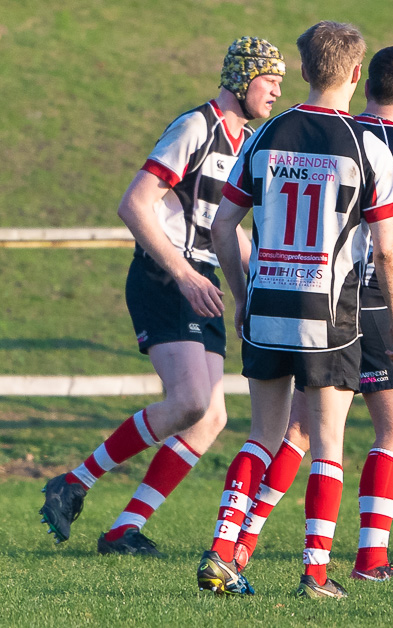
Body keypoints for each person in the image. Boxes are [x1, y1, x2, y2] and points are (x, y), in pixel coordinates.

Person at [229, 46, 393, 583]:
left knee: (297, 429)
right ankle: (367, 559)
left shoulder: (332, 133)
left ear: (363, 86)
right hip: (378, 301)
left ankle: (241, 541)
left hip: (313, 296)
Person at [38, 37, 285, 555]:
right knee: (191, 401)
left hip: (204, 280)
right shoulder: (196, 127)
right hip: (164, 275)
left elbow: (226, 228)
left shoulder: (249, 142)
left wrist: (249, 289)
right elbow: (134, 204)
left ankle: (123, 528)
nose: (277, 91)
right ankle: (75, 481)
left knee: (212, 416)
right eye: (269, 80)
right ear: (242, 79)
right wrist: (183, 274)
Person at [197, 21, 393, 599]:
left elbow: (222, 226)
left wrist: (244, 296)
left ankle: (222, 552)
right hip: (329, 315)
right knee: (328, 445)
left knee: (262, 435)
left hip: (267, 305)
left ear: (305, 68)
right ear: (355, 73)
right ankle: (315, 575)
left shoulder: (266, 134)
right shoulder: (366, 145)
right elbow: (389, 251)